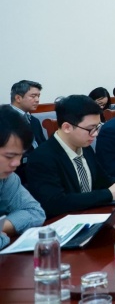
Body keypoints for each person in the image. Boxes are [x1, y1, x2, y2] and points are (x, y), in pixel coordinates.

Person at [26, 95, 115, 218]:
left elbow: (101, 181)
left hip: (92, 215)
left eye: (97, 127)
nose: (95, 134)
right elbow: (55, 203)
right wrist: (108, 194)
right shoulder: (42, 157)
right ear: (67, 127)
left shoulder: (85, 147)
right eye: (90, 129)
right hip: (62, 222)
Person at [0, 105, 46, 249]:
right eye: (9, 156)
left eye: (20, 155)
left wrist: (2, 226)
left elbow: (35, 212)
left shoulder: (7, 178)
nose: (17, 163)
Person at [9, 80, 46, 184]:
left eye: (38, 96)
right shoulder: (5, 119)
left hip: (38, 167)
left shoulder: (34, 120)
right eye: (33, 96)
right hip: (17, 172)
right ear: (18, 98)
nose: (37, 100)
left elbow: (42, 145)